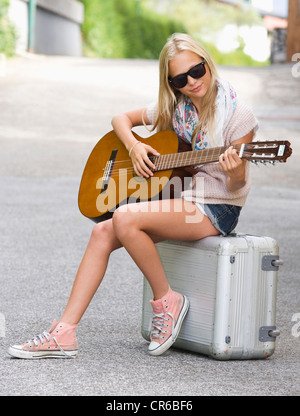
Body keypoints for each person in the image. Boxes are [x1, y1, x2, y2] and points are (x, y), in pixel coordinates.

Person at [7, 33, 258, 359]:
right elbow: (120, 119)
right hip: (185, 197)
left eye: (198, 71)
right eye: (181, 78)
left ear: (207, 63)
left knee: (124, 217)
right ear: (171, 82)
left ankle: (167, 300)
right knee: (102, 231)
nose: (193, 82)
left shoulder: (238, 114)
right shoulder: (175, 109)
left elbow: (236, 186)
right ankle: (64, 333)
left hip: (217, 207)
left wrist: (235, 169)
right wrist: (135, 145)